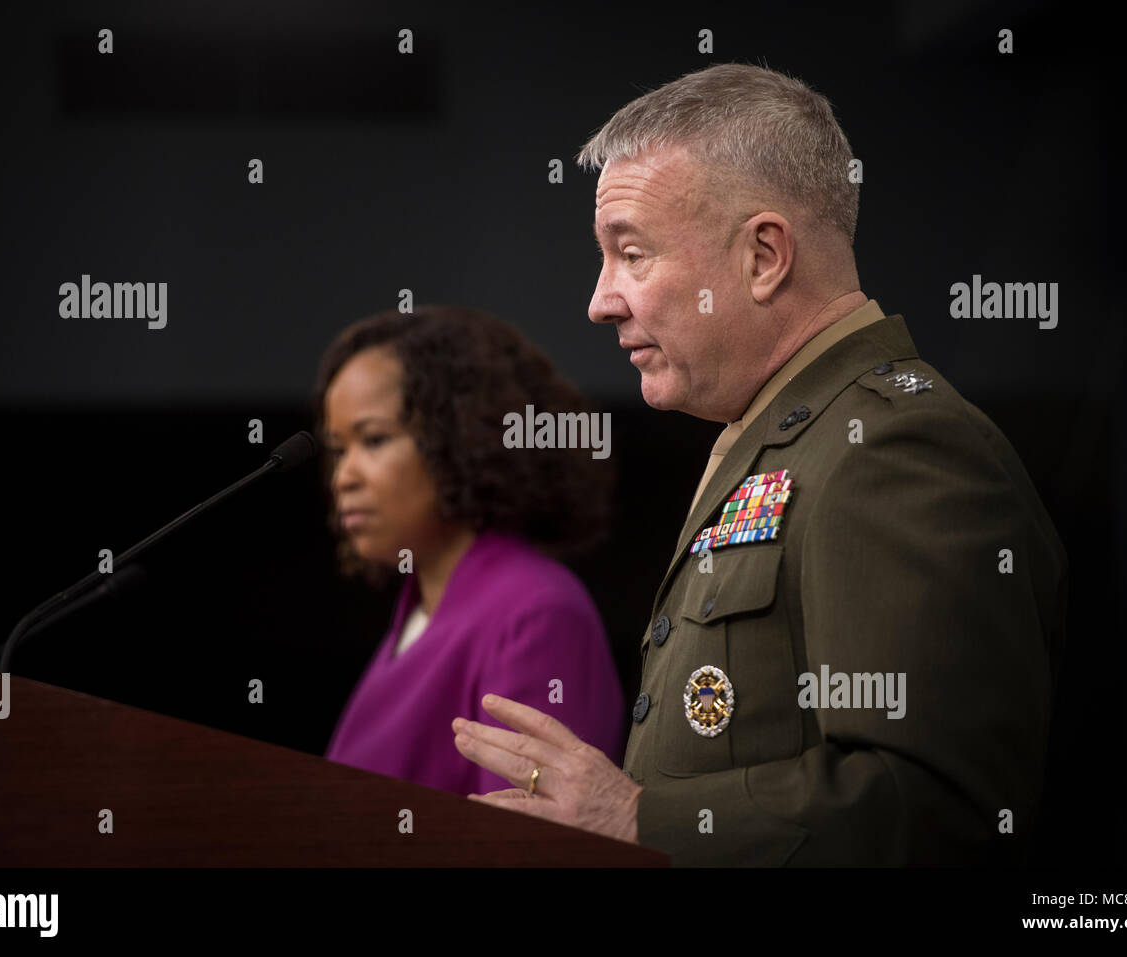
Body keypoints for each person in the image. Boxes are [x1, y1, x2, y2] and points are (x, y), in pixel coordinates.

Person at [451, 63, 1068, 865]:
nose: (601, 299)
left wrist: (636, 816)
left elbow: (938, 803)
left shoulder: (895, 448)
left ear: (764, 255)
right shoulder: (788, 431)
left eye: (631, 253)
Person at [315, 305, 625, 797]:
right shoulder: (419, 609)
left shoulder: (533, 613)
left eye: (373, 440)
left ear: (459, 437)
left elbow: (524, 843)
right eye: (338, 449)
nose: (344, 476)